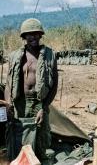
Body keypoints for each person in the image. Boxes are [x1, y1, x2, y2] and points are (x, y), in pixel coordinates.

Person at [4, 18, 58, 162]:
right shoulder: (15, 56)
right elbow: (9, 84)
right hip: (19, 102)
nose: (32, 37)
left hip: (39, 102)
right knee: (17, 137)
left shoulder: (49, 55)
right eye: (29, 34)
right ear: (24, 37)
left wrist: (44, 107)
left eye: (35, 34)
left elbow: (54, 86)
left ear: (40, 35)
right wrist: (8, 105)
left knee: (41, 138)